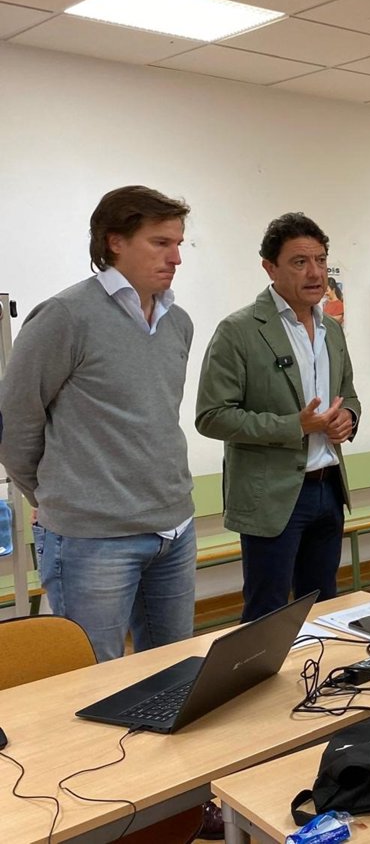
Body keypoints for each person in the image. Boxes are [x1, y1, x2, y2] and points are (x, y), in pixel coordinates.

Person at [0, 186, 196, 661]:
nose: (175, 257)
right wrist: (50, 497)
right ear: (115, 242)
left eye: (178, 244)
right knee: (91, 680)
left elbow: (155, 419)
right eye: (160, 243)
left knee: (174, 673)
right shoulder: (66, 316)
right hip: (92, 539)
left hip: (174, 528)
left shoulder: (178, 322)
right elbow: (14, 422)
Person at [196, 213, 360, 622]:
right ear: (270, 268)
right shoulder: (238, 331)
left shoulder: (332, 329)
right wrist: (295, 426)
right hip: (272, 496)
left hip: (328, 489)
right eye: (300, 262)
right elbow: (212, 416)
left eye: (320, 260)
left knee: (324, 609)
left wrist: (348, 418)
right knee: (266, 615)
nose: (315, 273)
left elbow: (349, 395)